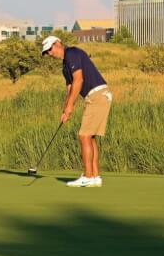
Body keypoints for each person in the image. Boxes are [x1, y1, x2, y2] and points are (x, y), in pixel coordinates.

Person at [41, 35, 112, 188]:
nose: (50, 53)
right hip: (94, 97)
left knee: (83, 135)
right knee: (90, 137)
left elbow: (78, 80)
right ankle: (94, 177)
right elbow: (70, 89)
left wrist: (71, 106)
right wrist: (66, 110)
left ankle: (87, 177)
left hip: (98, 94)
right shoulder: (65, 67)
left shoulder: (72, 53)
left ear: (58, 43)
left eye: (50, 49)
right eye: (47, 52)